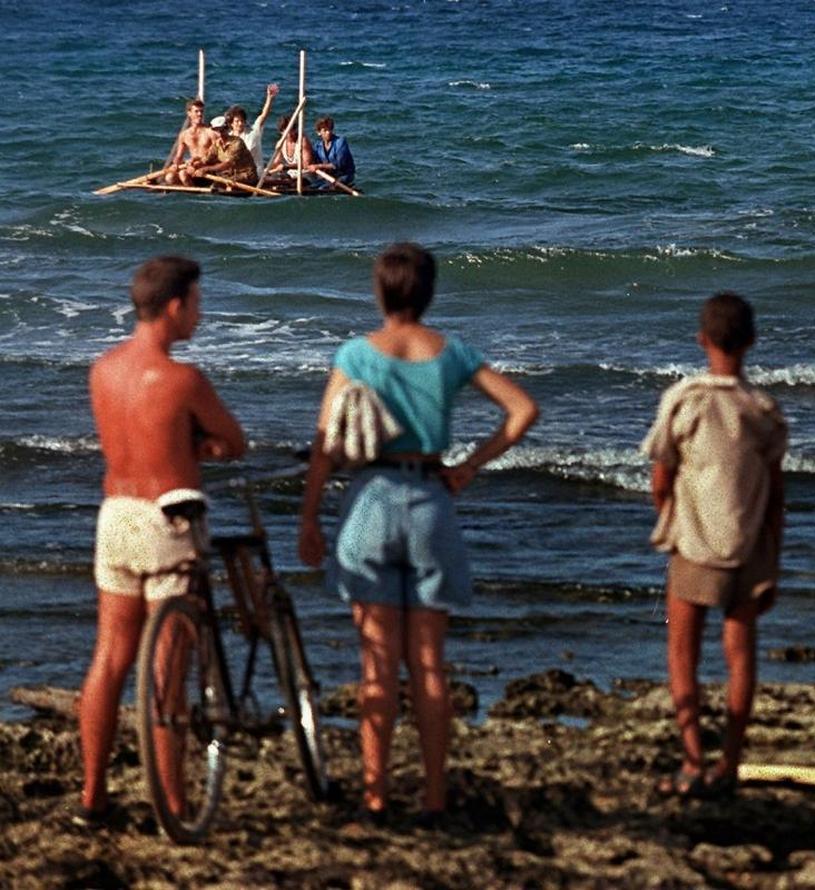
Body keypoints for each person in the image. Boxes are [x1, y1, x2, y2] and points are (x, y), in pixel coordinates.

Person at [298, 242, 538, 826]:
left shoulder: (355, 354)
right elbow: (522, 410)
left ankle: (377, 796)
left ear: (380, 293)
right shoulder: (451, 353)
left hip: (371, 503)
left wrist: (308, 517)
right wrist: (470, 466)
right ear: (428, 293)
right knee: (430, 664)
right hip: (431, 500)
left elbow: (328, 441)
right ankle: (434, 797)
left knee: (376, 664)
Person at [77, 256, 245, 823]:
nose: (200, 314)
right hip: (166, 522)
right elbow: (234, 440)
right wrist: (202, 448)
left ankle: (92, 796)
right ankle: (172, 803)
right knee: (166, 673)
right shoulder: (183, 379)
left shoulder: (102, 370)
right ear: (174, 307)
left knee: (110, 658)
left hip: (115, 514)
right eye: (197, 304)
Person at [642, 292, 787, 798]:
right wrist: (773, 554)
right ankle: (729, 762)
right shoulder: (763, 409)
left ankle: (691, 760)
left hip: (694, 543)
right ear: (751, 341)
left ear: (701, 339)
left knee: (682, 652)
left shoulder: (684, 400)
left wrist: (672, 521)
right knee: (740, 655)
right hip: (747, 546)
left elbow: (662, 478)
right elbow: (775, 497)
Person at [224, 83, 279, 178]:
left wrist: (269, 98)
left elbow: (263, 115)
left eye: (242, 121)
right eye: (237, 121)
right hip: (235, 173)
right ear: (231, 123)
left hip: (254, 173)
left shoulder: (253, 131)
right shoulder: (229, 137)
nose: (240, 123)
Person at [165, 99, 223, 187]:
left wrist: (197, 162)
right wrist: (175, 164)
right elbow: (179, 156)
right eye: (196, 111)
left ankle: (194, 194)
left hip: (207, 169)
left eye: (201, 111)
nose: (199, 114)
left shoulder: (210, 132)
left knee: (183, 174)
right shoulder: (184, 135)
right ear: (189, 113)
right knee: (169, 177)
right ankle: (189, 190)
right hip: (191, 168)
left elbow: (215, 155)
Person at [198, 117, 258, 186]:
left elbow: (228, 164)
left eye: (222, 131)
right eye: (217, 131)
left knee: (218, 184)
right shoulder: (217, 144)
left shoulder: (237, 143)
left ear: (227, 130)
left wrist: (206, 169)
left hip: (246, 175)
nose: (220, 134)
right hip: (229, 174)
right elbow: (205, 159)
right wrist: (194, 165)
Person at [265, 114, 315, 182]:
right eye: (286, 131)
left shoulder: (303, 141)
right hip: (290, 174)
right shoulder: (281, 143)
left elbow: (306, 164)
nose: (290, 133)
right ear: (281, 132)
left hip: (304, 175)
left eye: (292, 130)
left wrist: (286, 167)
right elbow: (276, 162)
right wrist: (266, 169)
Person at [311, 116, 356, 188]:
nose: (328, 132)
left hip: (343, 175)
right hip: (328, 176)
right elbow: (315, 161)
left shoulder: (340, 142)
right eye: (325, 130)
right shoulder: (318, 146)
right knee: (312, 186)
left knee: (322, 188)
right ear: (319, 132)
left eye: (330, 130)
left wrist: (319, 166)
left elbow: (339, 164)